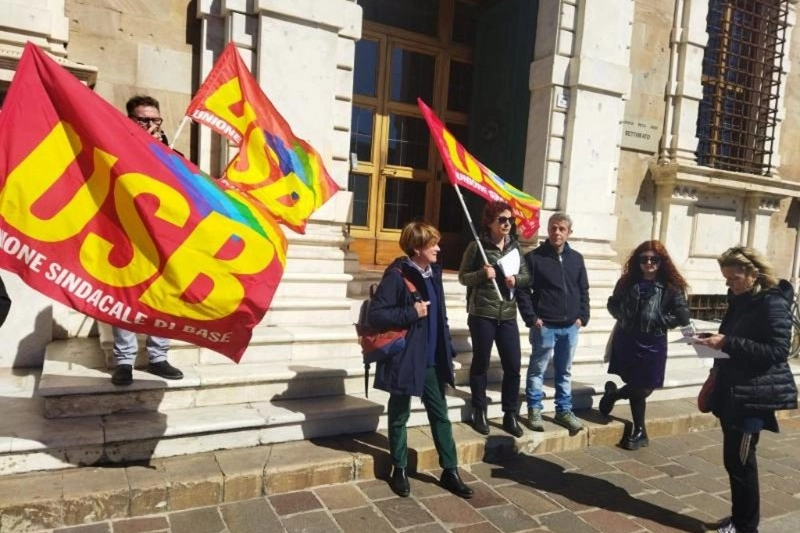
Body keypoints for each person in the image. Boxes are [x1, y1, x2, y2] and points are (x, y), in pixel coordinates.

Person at [694, 246, 797, 533]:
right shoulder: (741, 300)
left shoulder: (771, 303)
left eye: (734, 278)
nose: (729, 284)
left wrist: (727, 342)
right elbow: (735, 337)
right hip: (733, 390)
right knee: (734, 461)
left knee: (741, 464)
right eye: (726, 279)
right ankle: (740, 519)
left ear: (753, 274)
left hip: (753, 396)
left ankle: (746, 527)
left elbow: (778, 351)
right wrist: (711, 341)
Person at [367, 221, 473, 499]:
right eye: (433, 244)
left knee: (440, 415)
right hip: (405, 358)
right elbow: (376, 316)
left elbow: (441, 316)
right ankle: (399, 468)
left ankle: (450, 470)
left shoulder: (433, 273)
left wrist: (447, 347)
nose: (439, 248)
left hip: (433, 360)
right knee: (399, 414)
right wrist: (410, 313)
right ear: (417, 248)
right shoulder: (397, 275)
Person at [110, 95, 183, 386]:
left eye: (155, 120)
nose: (151, 125)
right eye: (144, 119)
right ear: (130, 120)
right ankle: (124, 361)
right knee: (123, 298)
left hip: (159, 238)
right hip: (123, 235)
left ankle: (158, 357)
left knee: (161, 297)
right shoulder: (113, 146)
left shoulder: (169, 152)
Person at [599, 240, 691, 450]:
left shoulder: (671, 287)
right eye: (644, 259)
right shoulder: (627, 282)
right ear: (638, 261)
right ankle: (640, 432)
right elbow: (612, 303)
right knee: (635, 382)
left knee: (645, 387)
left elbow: (682, 315)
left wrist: (660, 320)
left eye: (654, 259)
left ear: (661, 261)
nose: (649, 263)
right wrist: (622, 315)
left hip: (653, 342)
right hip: (628, 338)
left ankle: (614, 394)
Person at [458, 201, 530, 438]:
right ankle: (479, 410)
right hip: (482, 314)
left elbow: (527, 276)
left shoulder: (515, 248)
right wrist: (482, 274)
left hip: (507, 314)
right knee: (481, 363)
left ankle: (510, 413)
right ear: (489, 222)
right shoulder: (476, 247)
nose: (507, 223)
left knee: (513, 365)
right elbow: (462, 277)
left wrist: (515, 280)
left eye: (509, 219)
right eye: (501, 219)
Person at [517, 212, 589, 434]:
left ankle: (564, 410)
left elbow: (583, 289)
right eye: (553, 228)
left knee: (564, 371)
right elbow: (522, 290)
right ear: (547, 230)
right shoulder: (534, 258)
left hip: (570, 326)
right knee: (537, 369)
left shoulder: (576, 259)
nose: (557, 233)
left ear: (569, 233)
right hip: (545, 325)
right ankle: (535, 409)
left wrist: (582, 317)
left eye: (561, 229)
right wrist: (532, 318)